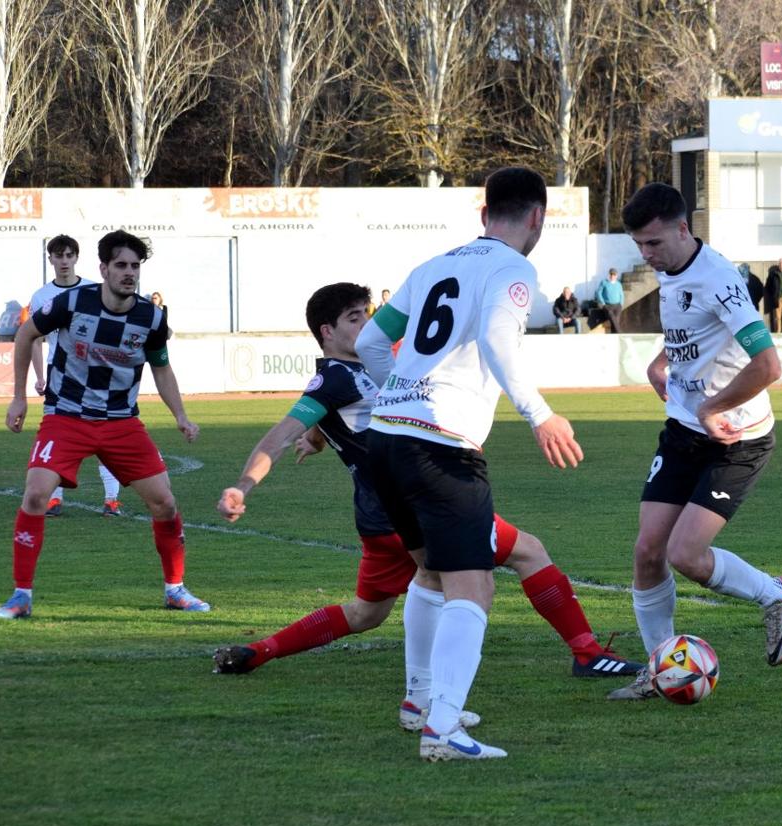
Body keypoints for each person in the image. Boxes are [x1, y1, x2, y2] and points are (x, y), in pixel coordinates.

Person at [213, 283, 638, 701]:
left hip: (379, 518)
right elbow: (280, 436)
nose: (367, 324)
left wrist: (320, 438)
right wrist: (243, 484)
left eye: (368, 314)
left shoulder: (366, 368)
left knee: (366, 613)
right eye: (354, 318)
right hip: (417, 502)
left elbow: (337, 421)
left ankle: (258, 651)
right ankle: (583, 654)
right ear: (327, 331)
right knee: (519, 557)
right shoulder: (333, 379)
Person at [354, 167, 584, 761]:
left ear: (484, 213)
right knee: (473, 587)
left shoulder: (430, 266)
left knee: (429, 573)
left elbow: (370, 345)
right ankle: (444, 730)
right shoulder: (514, 269)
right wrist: (540, 414)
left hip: (385, 440)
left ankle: (420, 703)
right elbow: (498, 339)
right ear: (537, 217)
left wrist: (402, 394)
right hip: (441, 447)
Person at [607, 182, 782, 702]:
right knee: (648, 550)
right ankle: (658, 667)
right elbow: (690, 333)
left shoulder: (720, 280)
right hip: (684, 430)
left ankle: (777, 595)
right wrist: (661, 362)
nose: (647, 256)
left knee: (686, 555)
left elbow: (769, 365)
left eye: (654, 244)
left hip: (737, 439)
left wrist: (713, 407)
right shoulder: (674, 272)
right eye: (639, 247)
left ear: (682, 229)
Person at [0, 230, 207, 620]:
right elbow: (26, 333)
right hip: (66, 417)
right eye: (121, 265)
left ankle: (175, 590)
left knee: (164, 502)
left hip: (121, 423)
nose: (129, 273)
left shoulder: (151, 317)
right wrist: (20, 396)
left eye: (135, 267)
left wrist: (180, 416)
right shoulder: (73, 301)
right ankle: (21, 595)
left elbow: (161, 367)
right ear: (104, 269)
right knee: (36, 495)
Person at [28, 236, 125, 518]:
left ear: (76, 258)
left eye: (69, 255)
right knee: (57, 437)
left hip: (94, 375)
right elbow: (34, 338)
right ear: (51, 260)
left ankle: (111, 500)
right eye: (59, 256)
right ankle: (54, 500)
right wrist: (38, 376)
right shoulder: (41, 296)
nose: (64, 261)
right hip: (58, 376)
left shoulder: (94, 290)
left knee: (105, 435)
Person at [765, 258, 782, 333]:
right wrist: (772, 294)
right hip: (778, 298)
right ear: (778, 264)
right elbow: (768, 285)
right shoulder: (774, 274)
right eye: (780, 263)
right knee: (777, 316)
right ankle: (778, 331)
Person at [595, 268, 624, 332]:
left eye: (614, 274)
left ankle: (615, 339)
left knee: (615, 322)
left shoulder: (618, 284)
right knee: (613, 319)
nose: (612, 276)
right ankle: (621, 334)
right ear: (609, 274)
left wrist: (621, 304)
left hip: (617, 306)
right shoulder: (604, 282)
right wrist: (603, 303)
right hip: (608, 305)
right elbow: (599, 293)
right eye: (611, 274)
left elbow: (621, 294)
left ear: (616, 275)